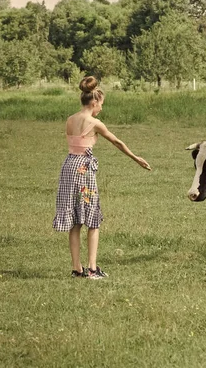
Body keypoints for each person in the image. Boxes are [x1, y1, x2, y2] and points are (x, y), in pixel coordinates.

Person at [53, 76, 151, 279]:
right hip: (84, 170)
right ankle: (92, 269)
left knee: (74, 221)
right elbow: (117, 142)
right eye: (101, 105)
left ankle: (76, 269)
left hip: (68, 167)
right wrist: (135, 158)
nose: (101, 109)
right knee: (92, 219)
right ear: (94, 102)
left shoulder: (70, 120)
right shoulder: (95, 122)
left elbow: (75, 144)